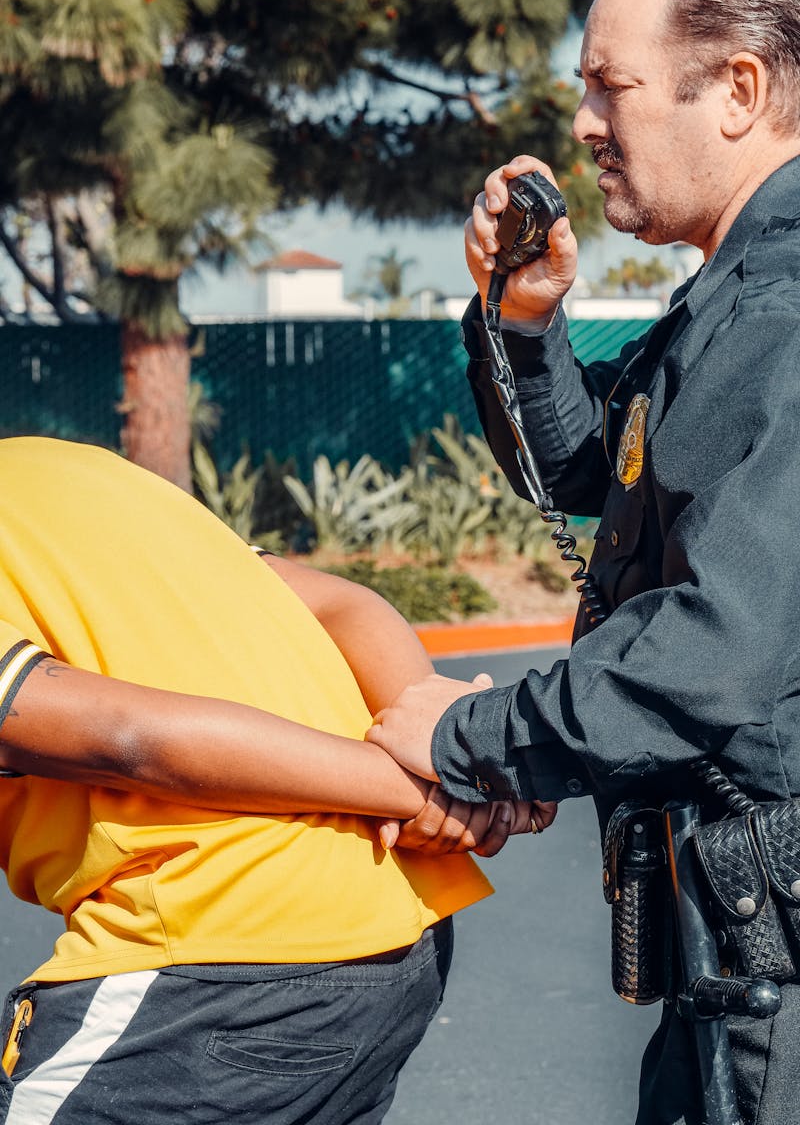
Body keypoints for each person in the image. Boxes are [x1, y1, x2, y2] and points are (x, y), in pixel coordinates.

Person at [367, 0, 800, 1122]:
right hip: (733, 971)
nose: (585, 127)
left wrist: (469, 735)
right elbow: (595, 480)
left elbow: (713, 653)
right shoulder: (736, 297)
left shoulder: (786, 315)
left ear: (738, 91)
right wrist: (521, 319)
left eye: (610, 88)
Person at [0, 434, 550, 1125]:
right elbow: (343, 603)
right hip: (396, 935)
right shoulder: (71, 470)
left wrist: (429, 786)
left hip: (216, 957)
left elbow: (133, 740)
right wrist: (444, 753)